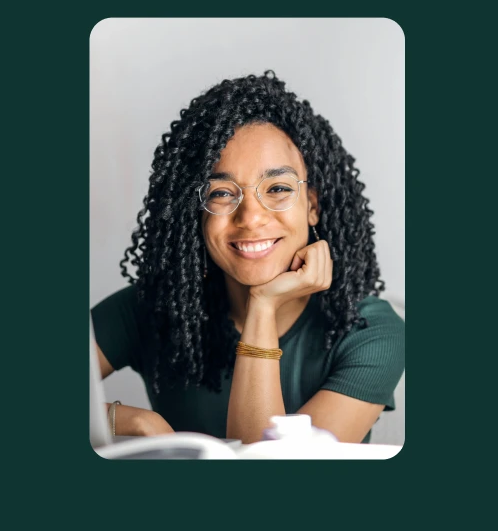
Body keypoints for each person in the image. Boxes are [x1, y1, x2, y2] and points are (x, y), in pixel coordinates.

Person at [91, 71, 404, 444]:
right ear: (198, 210)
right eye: (222, 193)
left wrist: (263, 305)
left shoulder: (372, 332)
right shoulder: (152, 308)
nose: (251, 217)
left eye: (278, 188)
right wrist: (135, 422)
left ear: (313, 206)